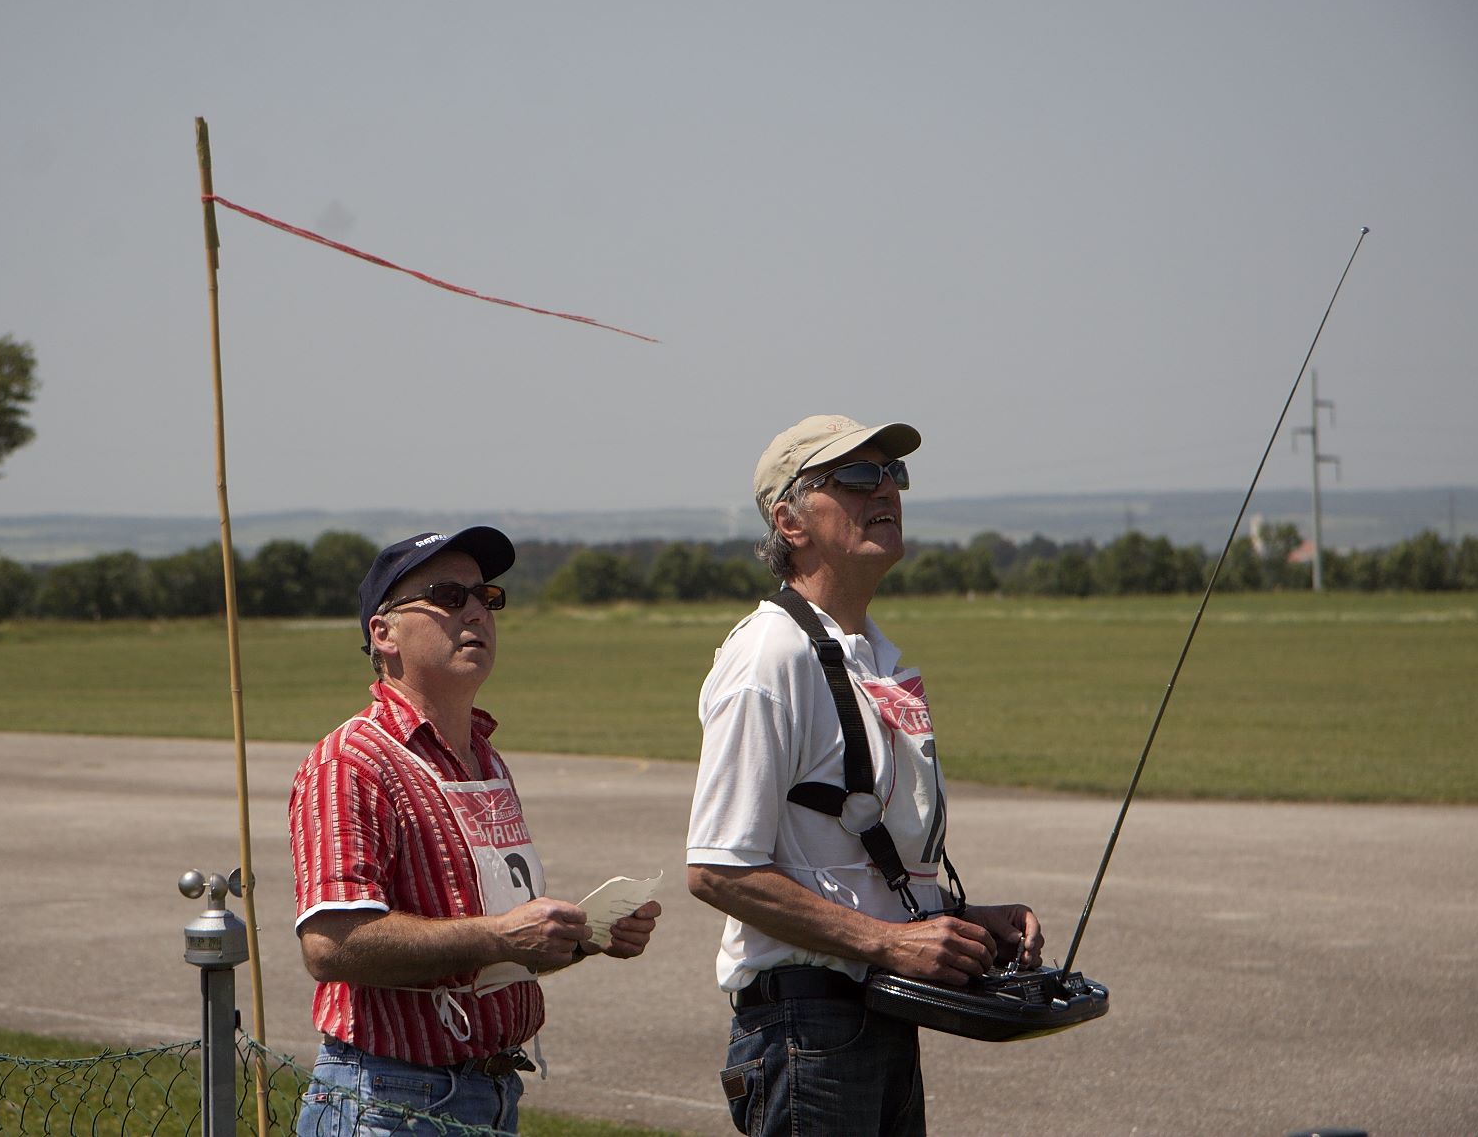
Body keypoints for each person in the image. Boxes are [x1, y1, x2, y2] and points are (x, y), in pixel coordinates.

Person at [686, 416, 1045, 1137]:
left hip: (875, 1011)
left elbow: (839, 859)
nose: (884, 489)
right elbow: (718, 871)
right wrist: (891, 943)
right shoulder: (769, 656)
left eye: (891, 474)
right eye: (854, 476)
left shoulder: (870, 653)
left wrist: (956, 919)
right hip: (806, 1028)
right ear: (789, 521)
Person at [290, 527, 661, 1137]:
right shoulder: (351, 761)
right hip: (389, 1100)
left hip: (489, 1092)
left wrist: (581, 936)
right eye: (447, 596)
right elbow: (330, 945)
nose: (475, 612)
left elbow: (491, 950)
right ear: (383, 634)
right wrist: (500, 935)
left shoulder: (483, 757)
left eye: (486, 597)